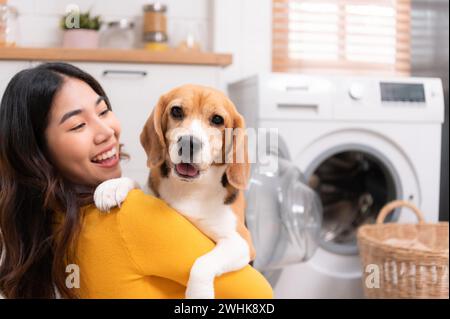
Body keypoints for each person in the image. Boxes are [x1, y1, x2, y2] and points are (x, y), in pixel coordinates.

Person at [0, 62, 273, 299]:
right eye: (78, 125)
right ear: (37, 151)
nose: (106, 132)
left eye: (103, 111)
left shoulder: (41, 223)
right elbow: (259, 296)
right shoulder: (129, 217)